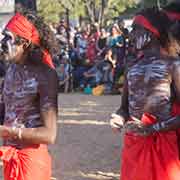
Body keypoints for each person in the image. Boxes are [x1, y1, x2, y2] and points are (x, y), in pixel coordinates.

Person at [110, 8, 180, 180]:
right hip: (134, 143)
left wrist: (152, 129)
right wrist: (118, 117)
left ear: (151, 32)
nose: (131, 34)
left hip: (163, 146)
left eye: (135, 29)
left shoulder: (173, 65)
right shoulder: (132, 67)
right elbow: (124, 108)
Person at [0, 8, 58, 180]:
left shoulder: (45, 75)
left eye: (7, 38)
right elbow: (4, 112)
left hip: (32, 163)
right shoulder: (11, 70)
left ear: (24, 43)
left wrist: (9, 132)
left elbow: (50, 135)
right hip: (10, 158)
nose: (2, 42)